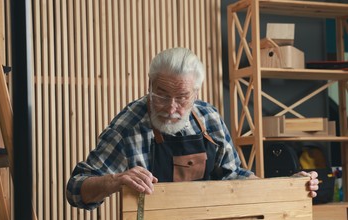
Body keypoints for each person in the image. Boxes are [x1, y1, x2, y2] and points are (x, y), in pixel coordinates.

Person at [66, 47, 318, 210]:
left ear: (197, 92)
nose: (171, 108)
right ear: (150, 84)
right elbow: (75, 189)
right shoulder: (129, 125)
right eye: (162, 95)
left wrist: (287, 186)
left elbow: (234, 177)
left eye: (182, 97)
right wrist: (114, 180)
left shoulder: (208, 118)